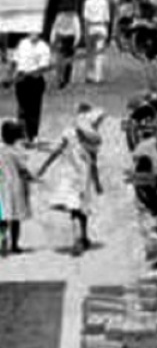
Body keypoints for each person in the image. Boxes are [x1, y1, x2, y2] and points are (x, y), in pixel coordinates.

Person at [37, 104, 105, 256]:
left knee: (76, 209)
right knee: (81, 209)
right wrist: (97, 182)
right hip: (83, 178)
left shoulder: (68, 133)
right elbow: (93, 164)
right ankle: (81, 238)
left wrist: (44, 166)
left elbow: (56, 151)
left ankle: (79, 239)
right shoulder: (91, 142)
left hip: (69, 176)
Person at [12, 30, 52, 144]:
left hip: (35, 81)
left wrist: (34, 72)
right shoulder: (22, 43)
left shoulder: (43, 47)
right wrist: (11, 74)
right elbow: (15, 61)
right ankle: (21, 136)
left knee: (34, 110)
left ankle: (33, 135)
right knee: (22, 109)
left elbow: (43, 67)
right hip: (21, 79)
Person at [0, 119, 34, 254]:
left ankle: (2, 240)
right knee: (15, 219)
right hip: (15, 187)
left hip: (1, 187)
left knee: (2, 218)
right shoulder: (16, 152)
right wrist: (33, 177)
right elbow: (23, 170)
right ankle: (14, 245)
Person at [83, 0, 112, 84]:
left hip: (91, 27)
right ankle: (98, 77)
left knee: (90, 53)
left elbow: (86, 18)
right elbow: (107, 18)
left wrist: (85, 31)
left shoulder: (87, 2)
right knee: (99, 54)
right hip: (101, 27)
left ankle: (89, 75)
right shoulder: (104, 3)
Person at [49, 4, 83, 89]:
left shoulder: (59, 16)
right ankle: (65, 79)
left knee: (59, 59)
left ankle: (60, 79)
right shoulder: (74, 16)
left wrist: (52, 39)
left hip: (61, 38)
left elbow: (54, 28)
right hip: (69, 39)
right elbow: (77, 29)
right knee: (68, 61)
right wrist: (76, 41)